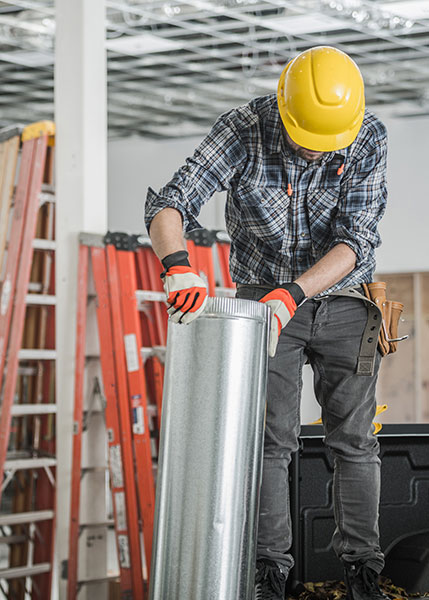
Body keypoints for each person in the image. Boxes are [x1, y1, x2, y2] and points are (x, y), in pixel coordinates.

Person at [145, 45, 389, 600]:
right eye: (305, 139)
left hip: (345, 297)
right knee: (270, 441)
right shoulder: (243, 129)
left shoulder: (367, 134)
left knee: (353, 439)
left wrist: (295, 293)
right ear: (284, 109)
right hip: (262, 305)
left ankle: (363, 571)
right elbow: (171, 202)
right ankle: (270, 572)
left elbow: (356, 242)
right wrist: (177, 265)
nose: (314, 153)